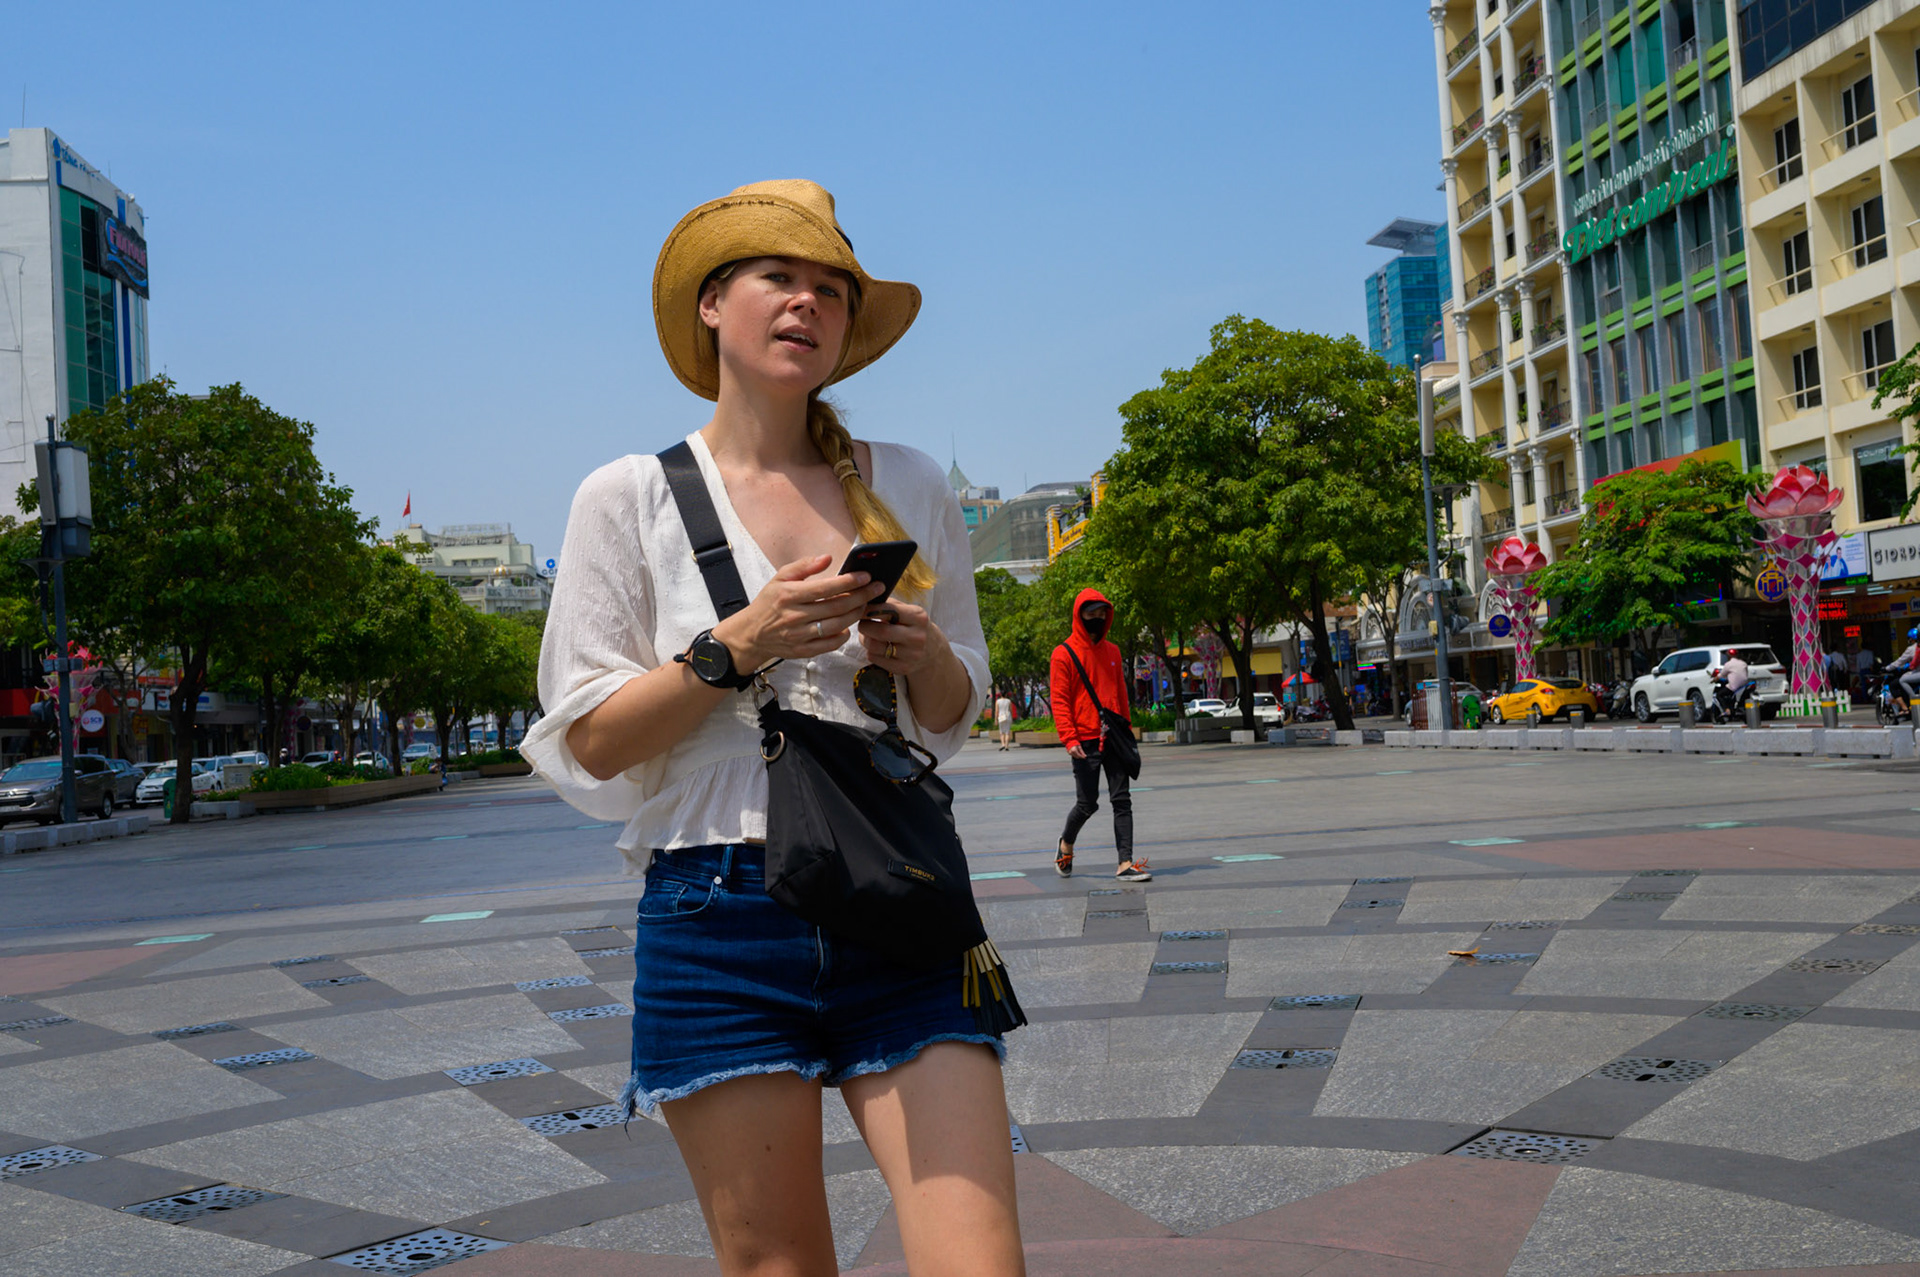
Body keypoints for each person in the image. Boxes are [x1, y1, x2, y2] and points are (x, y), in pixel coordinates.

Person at [521, 181, 1022, 1276]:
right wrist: (738, 642)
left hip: (899, 890)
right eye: (778, 279)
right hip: (718, 911)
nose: (808, 303)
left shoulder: (909, 480)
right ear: (711, 304)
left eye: (831, 290)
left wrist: (926, 654)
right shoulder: (629, 495)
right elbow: (591, 738)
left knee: (981, 1262)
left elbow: (955, 708)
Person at [1052, 589, 1147, 881]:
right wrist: (1069, 738)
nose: (1097, 618)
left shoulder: (1114, 652)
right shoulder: (1063, 653)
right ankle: (1066, 843)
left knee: (1122, 800)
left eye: (1101, 613)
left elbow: (1120, 694)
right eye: (1091, 613)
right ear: (1079, 616)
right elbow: (1060, 699)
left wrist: (1127, 730)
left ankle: (1124, 862)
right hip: (1084, 741)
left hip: (1114, 737)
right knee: (1087, 803)